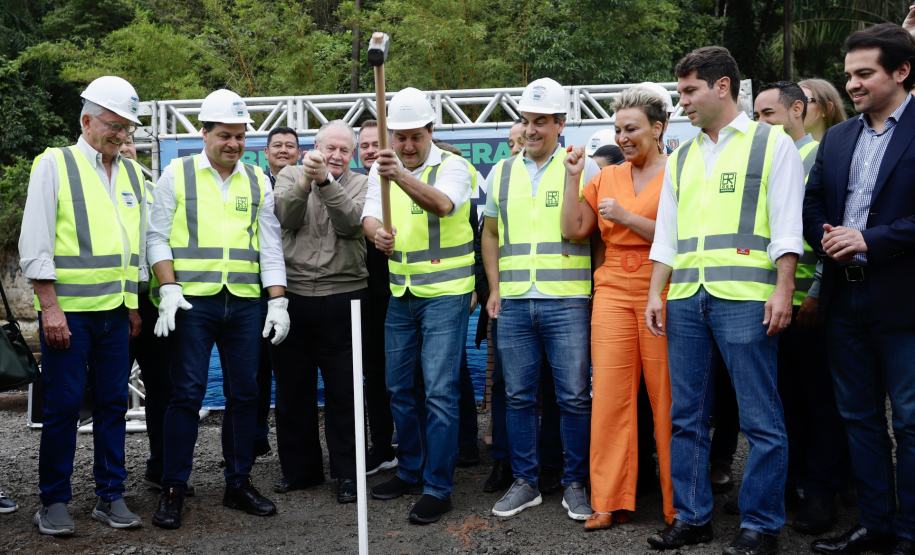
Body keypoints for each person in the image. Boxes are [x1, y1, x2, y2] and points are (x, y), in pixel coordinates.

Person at [644, 46, 804, 555]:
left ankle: (760, 526)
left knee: (761, 419)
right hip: (687, 297)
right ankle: (693, 519)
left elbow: (787, 225)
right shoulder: (683, 156)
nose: (681, 102)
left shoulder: (771, 143)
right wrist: (656, 292)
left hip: (746, 299)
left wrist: (784, 288)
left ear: (722, 86)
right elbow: (667, 234)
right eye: (679, 92)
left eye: (689, 90)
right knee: (686, 416)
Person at [147, 89, 289, 529]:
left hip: (245, 304)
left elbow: (269, 244)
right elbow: (156, 237)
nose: (233, 144)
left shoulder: (256, 180)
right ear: (203, 133)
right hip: (192, 301)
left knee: (245, 395)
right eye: (224, 135)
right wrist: (168, 288)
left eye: (241, 136)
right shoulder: (177, 174)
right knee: (185, 394)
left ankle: (238, 483)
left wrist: (278, 299)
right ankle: (173, 487)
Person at [804, 24, 915, 555]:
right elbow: (812, 204)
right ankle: (876, 526)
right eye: (848, 75)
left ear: (902, 71)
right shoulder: (840, 136)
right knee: (859, 417)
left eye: (864, 73)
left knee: (912, 421)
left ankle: (911, 532)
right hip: (843, 299)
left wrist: (867, 239)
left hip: (904, 298)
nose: (852, 85)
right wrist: (826, 237)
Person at [19, 75, 147, 535]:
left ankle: (110, 496)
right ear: (87, 119)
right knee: (65, 405)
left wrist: (132, 306)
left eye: (127, 127)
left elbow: (134, 246)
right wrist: (49, 308)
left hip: (115, 313)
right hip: (68, 313)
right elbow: (35, 242)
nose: (122, 134)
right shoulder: (55, 164)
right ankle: (53, 501)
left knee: (114, 403)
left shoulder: (131, 172)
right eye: (114, 124)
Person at [482, 77, 601, 521]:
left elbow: (590, 234)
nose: (530, 130)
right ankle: (525, 482)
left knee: (573, 396)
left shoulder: (582, 168)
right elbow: (490, 234)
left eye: (540, 122)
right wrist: (495, 288)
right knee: (517, 397)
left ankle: (574, 483)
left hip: (568, 300)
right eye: (525, 121)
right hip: (513, 302)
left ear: (560, 123)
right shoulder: (502, 171)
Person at [561, 85, 675, 530]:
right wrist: (573, 178)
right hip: (610, 291)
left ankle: (676, 505)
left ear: (658, 128)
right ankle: (607, 499)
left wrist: (626, 218)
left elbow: (679, 237)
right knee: (609, 398)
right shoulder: (605, 176)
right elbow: (574, 228)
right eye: (618, 130)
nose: (623, 137)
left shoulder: (681, 170)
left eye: (632, 129)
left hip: (660, 289)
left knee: (666, 399)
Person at [362, 87, 476, 524]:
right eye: (401, 137)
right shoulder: (382, 169)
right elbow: (371, 215)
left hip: (446, 295)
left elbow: (443, 205)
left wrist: (399, 175)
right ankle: (410, 469)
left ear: (431, 132)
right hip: (401, 293)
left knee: (440, 393)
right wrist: (377, 234)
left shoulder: (455, 167)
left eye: (415, 137)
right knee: (398, 389)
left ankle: (438, 487)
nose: (408, 146)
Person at [753, 81, 852, 535]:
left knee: (820, 403)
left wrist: (814, 291)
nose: (761, 124)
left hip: (809, 304)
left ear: (798, 111)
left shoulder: (818, 156)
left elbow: (831, 231)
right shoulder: (765, 158)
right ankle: (790, 484)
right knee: (784, 403)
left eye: (768, 115)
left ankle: (821, 494)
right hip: (767, 303)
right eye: (756, 116)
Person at [269, 120, 368, 504]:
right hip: (291, 296)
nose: (337, 156)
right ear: (315, 146)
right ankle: (300, 470)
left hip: (344, 296)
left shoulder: (362, 183)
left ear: (354, 154)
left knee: (345, 392)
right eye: (331, 148)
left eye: (345, 150)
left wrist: (327, 182)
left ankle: (349, 473)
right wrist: (306, 182)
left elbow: (350, 225)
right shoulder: (288, 175)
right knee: (293, 390)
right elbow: (286, 218)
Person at [251, 125, 302, 459]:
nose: (284, 150)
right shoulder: (252, 184)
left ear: (299, 153)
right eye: (277, 145)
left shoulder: (307, 184)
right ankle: (254, 439)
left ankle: (292, 450)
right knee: (253, 371)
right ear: (266, 153)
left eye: (290, 146)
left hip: (295, 290)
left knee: (288, 371)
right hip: (252, 291)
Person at [358, 119, 399, 475]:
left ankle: (426, 447)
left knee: (415, 377)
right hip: (370, 296)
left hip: (411, 292)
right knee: (374, 373)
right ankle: (382, 445)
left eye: (377, 144)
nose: (371, 151)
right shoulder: (359, 188)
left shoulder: (409, 182)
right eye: (365, 146)